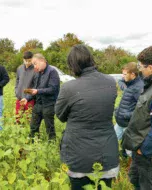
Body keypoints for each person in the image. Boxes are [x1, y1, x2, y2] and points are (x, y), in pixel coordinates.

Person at [55, 44, 119, 190]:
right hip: (106, 151)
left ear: (73, 65)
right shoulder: (110, 82)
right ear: (90, 60)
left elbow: (60, 115)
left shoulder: (69, 88)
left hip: (79, 156)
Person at [122, 46, 152, 190]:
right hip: (142, 152)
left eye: (141, 66)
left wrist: (144, 151)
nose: (139, 70)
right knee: (137, 182)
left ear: (151, 68)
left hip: (150, 157)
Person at [21, 53, 60, 140]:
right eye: (33, 64)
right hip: (38, 104)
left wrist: (38, 91)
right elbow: (35, 89)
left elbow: (53, 89)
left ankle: (52, 144)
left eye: (35, 63)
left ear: (42, 61)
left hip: (49, 104)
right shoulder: (38, 73)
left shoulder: (52, 72)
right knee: (33, 127)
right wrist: (27, 98)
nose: (34, 66)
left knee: (49, 128)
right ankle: (33, 143)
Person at [114, 62, 144, 141]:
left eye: (125, 74)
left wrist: (126, 115)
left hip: (128, 124)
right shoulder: (130, 82)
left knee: (129, 148)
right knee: (112, 140)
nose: (122, 76)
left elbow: (142, 109)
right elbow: (120, 81)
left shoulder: (138, 88)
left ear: (133, 74)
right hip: (121, 122)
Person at [15, 51, 36, 124]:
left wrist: (28, 97)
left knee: (29, 120)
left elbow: (35, 86)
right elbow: (17, 81)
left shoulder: (35, 70)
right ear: (23, 60)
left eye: (29, 61)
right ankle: (18, 133)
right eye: (25, 61)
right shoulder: (19, 68)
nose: (27, 62)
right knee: (18, 118)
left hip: (29, 99)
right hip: (19, 98)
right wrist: (17, 92)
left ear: (32, 59)